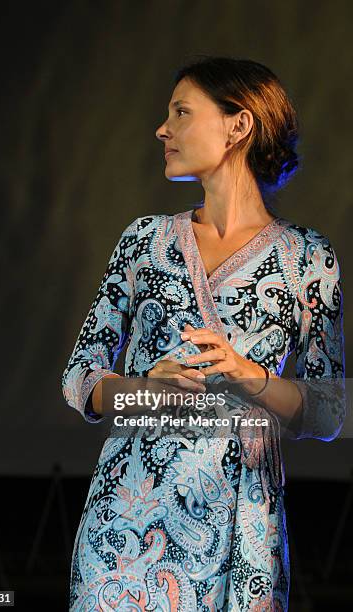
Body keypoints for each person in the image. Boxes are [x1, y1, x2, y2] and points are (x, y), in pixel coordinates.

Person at [62, 56, 345, 611]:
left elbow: (331, 411)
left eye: (182, 112)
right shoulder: (144, 240)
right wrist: (146, 391)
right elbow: (79, 381)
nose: (162, 129)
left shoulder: (309, 259)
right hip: (126, 521)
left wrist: (251, 377)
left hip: (240, 528)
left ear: (238, 126)